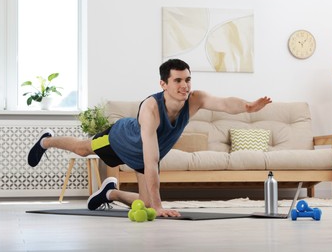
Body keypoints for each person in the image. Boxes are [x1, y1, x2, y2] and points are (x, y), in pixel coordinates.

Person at [27, 59, 272, 217]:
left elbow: (224, 103)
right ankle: (46, 141)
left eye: (187, 79)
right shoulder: (151, 109)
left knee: (146, 206)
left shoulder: (194, 99)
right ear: (163, 84)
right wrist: (159, 204)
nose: (184, 86)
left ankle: (109, 193)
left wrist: (248, 107)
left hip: (143, 158)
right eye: (177, 80)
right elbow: (151, 158)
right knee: (82, 149)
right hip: (119, 139)